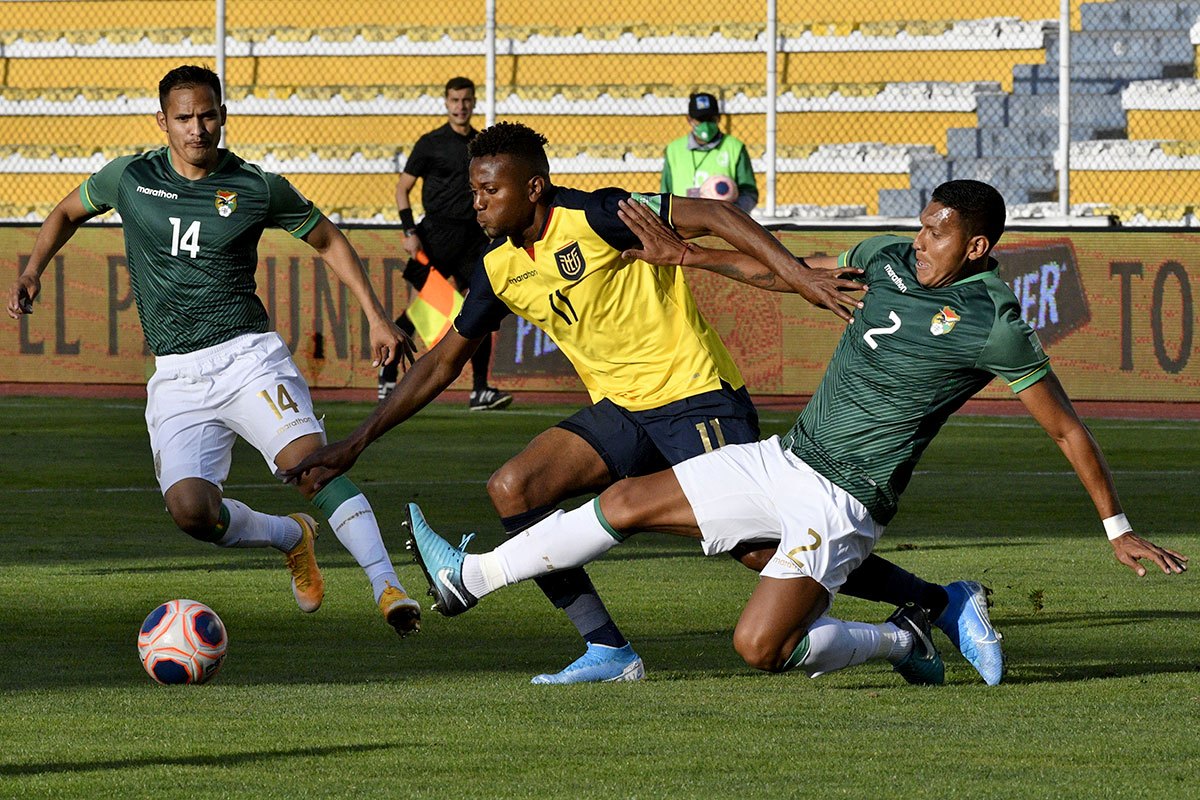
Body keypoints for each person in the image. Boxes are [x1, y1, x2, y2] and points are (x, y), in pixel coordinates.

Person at [283, 123, 1003, 685]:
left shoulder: (597, 214)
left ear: (533, 189)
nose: (476, 202)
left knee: (759, 553)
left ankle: (938, 603)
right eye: (473, 190)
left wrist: (794, 272)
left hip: (696, 400)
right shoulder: (498, 267)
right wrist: (357, 442)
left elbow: (714, 214)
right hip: (621, 414)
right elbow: (443, 360)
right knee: (514, 486)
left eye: (489, 190)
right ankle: (606, 647)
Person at [404, 179, 1188, 684]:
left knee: (760, 649)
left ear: (977, 247)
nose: (919, 240)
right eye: (920, 225)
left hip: (844, 501)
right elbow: (784, 272)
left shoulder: (993, 326)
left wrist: (1117, 529)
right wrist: (686, 257)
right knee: (629, 501)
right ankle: (471, 579)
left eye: (937, 233)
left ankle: (909, 634)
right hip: (783, 459)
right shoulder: (882, 260)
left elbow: (1068, 432)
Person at [6, 65, 425, 638]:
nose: (197, 128)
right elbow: (65, 212)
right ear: (163, 122)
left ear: (222, 115)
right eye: (184, 118)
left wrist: (378, 318)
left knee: (311, 465)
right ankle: (289, 535)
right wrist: (32, 270)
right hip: (177, 375)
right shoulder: (129, 177)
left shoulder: (255, 186)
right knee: (191, 512)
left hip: (248, 357)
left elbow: (327, 238)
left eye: (207, 115)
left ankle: (386, 585)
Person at [381, 76, 512, 411]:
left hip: (472, 238)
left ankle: (480, 390)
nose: (461, 107)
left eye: (466, 100)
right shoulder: (430, 143)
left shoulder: (481, 144)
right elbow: (402, 189)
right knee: (428, 308)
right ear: (446, 102)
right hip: (436, 236)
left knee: (480, 305)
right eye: (454, 100)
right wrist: (410, 231)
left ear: (473, 102)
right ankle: (388, 369)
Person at [661, 92, 757, 213]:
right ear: (689, 119)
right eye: (700, 120)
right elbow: (665, 194)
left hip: (722, 226)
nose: (705, 125)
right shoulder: (674, 150)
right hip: (685, 225)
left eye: (710, 119)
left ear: (719, 118)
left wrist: (731, 214)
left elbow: (749, 192)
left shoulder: (735, 147)